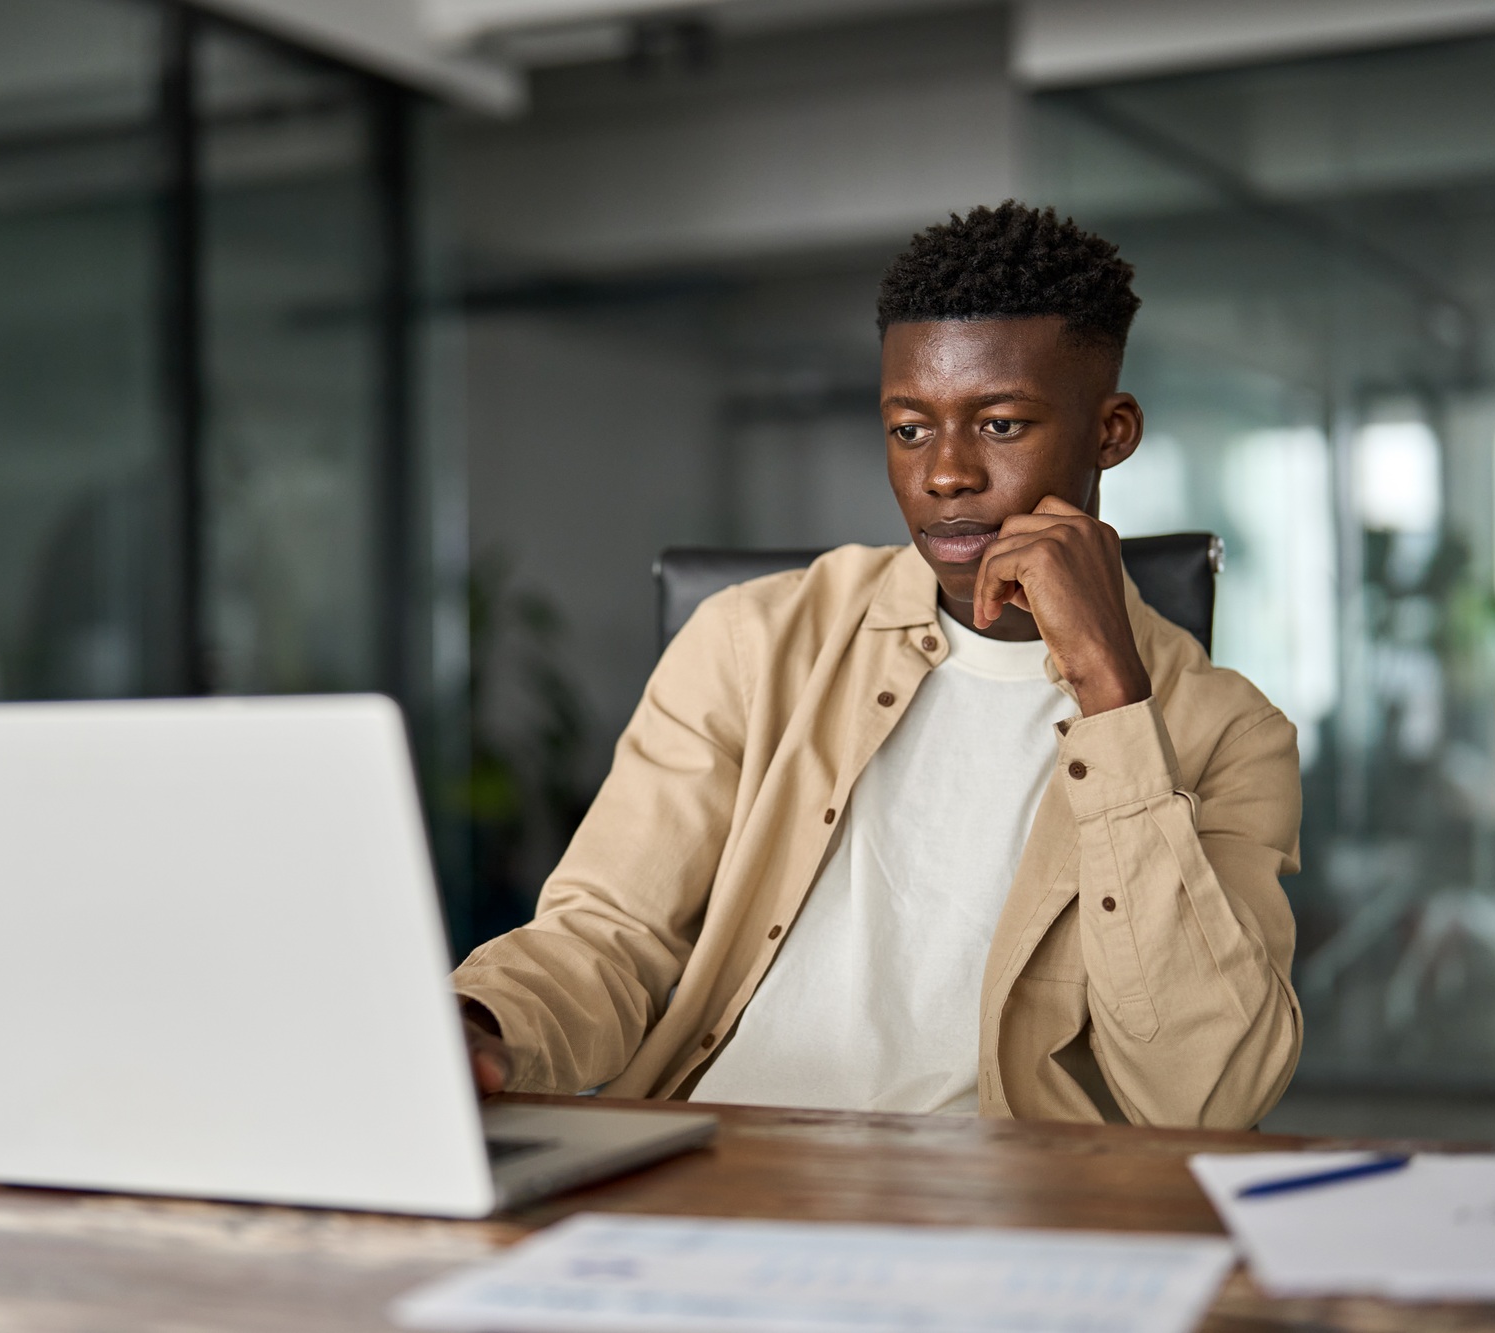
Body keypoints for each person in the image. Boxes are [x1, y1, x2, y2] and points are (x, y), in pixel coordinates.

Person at [452, 202, 1302, 1128]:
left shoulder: (1230, 733)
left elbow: (1206, 1096)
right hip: (720, 1167)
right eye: (909, 429)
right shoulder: (750, 641)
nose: (945, 474)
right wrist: (476, 1022)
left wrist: (1113, 700)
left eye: (1001, 424)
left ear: (1112, 432)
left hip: (997, 1194)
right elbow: (607, 936)